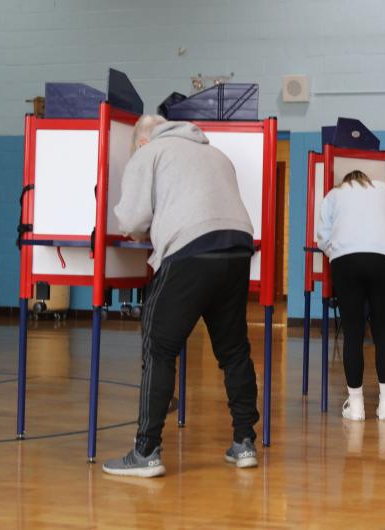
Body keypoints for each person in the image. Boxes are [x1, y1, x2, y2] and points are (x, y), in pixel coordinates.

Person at [103, 115, 259, 477]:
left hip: (191, 249)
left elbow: (131, 221)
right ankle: (244, 442)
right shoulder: (215, 153)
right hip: (237, 247)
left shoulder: (149, 152)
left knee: (158, 347)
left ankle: (146, 452)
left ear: (141, 142)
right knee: (234, 350)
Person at [316, 170, 385, 421]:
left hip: (346, 260)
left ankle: (356, 407)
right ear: (367, 180)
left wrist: (336, 252)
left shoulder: (334, 194)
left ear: (346, 182)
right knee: (382, 332)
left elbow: (322, 237)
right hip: (384, 260)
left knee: (353, 333)